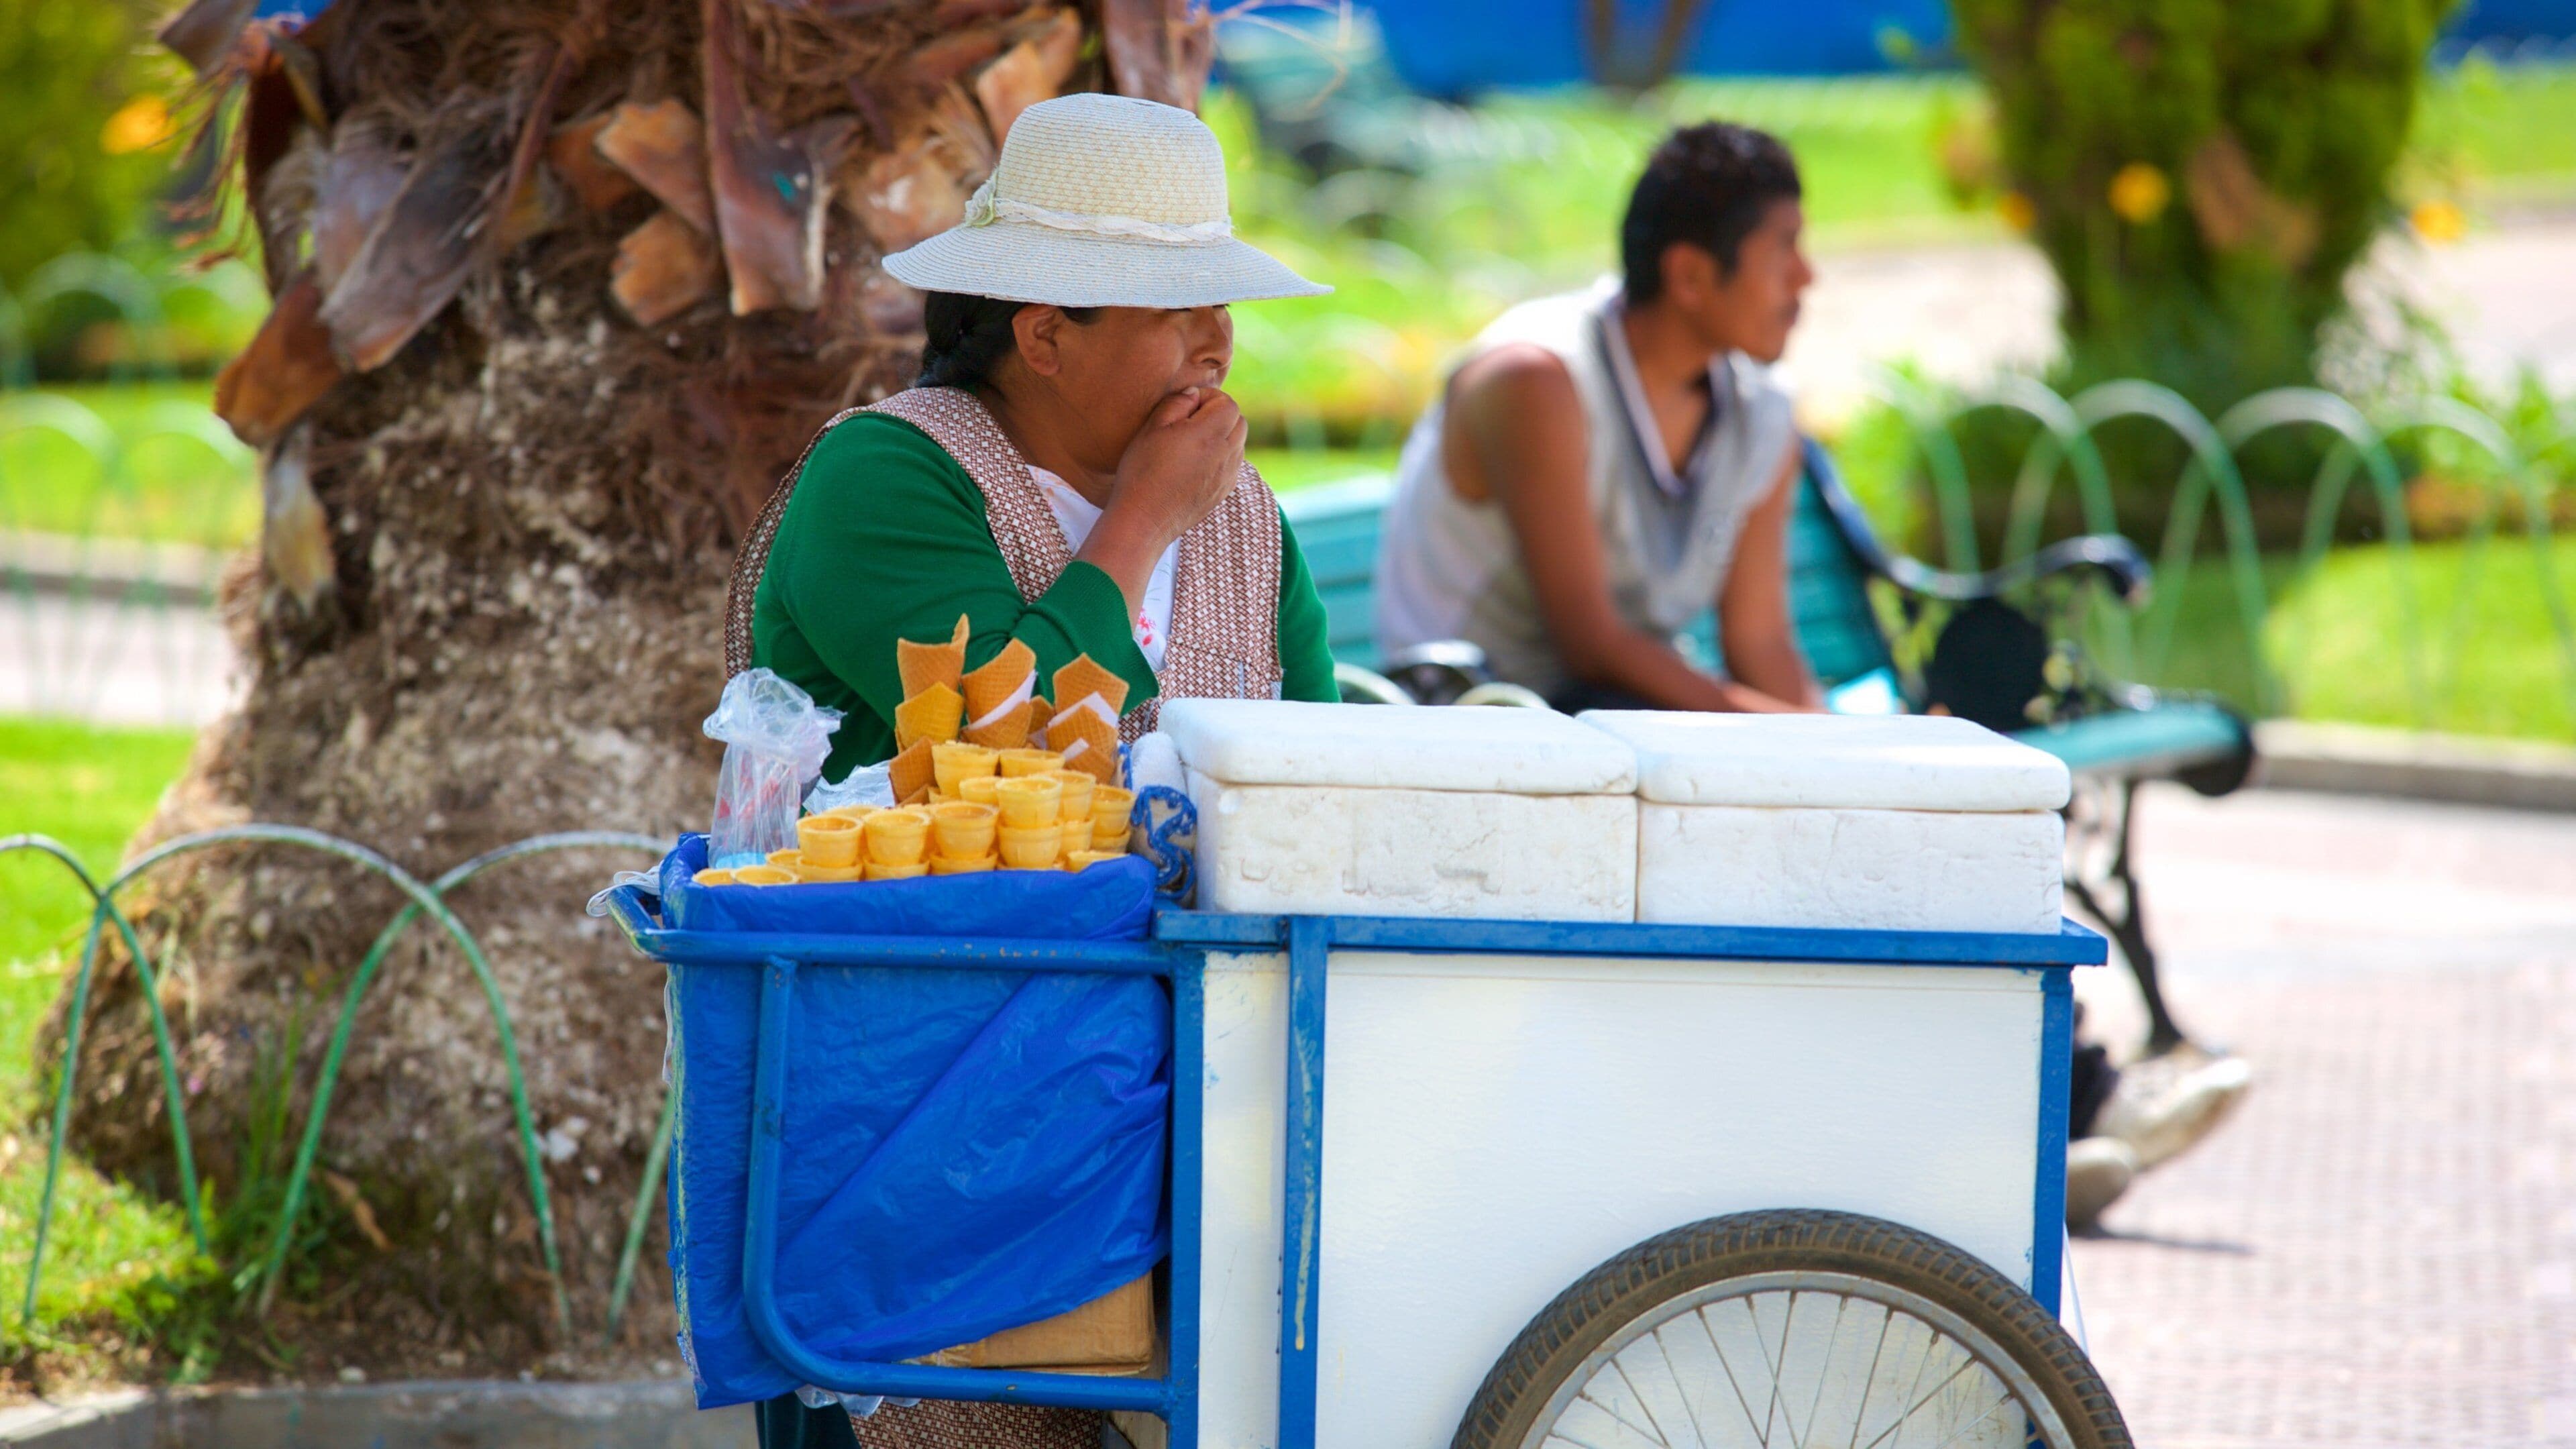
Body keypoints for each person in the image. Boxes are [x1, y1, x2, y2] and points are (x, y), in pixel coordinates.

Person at [726, 91, 1339, 1449]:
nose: (1218, 343)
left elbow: (1325, 774)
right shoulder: (887, 481)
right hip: (923, 1124)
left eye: (1219, 305)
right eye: (1175, 312)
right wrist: (1143, 523)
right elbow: (1002, 748)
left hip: (1191, 1126)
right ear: (1046, 334)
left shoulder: (1251, 526)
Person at [1374, 120, 1819, 713]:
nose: (1806, 276)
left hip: (1613, 717)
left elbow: (1759, 641)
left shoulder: (1761, 410)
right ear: (1689, 275)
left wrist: (1848, 751)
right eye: (1783, 248)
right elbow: (1591, 645)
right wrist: (1809, 738)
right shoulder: (1537, 379)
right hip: (1468, 717)